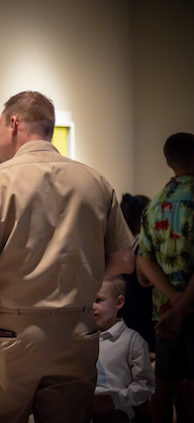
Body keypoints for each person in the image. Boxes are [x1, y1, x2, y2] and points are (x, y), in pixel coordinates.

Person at [0, 90, 135, 422]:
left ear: (14, 124)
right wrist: (83, 274)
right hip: (78, 333)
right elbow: (124, 261)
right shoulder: (95, 181)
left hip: (9, 335)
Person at [136, 132, 194, 423]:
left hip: (165, 313)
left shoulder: (154, 204)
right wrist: (184, 304)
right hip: (192, 310)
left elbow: (143, 259)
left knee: (165, 385)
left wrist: (173, 301)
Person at [92, 275, 155, 423]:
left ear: (118, 302)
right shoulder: (80, 338)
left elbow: (145, 386)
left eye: (98, 300)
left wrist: (115, 400)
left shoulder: (133, 342)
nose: (92, 306)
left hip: (115, 411)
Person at [119, 193, 154, 351]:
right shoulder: (142, 244)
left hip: (124, 303)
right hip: (142, 305)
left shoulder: (120, 243)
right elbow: (144, 279)